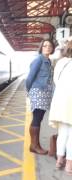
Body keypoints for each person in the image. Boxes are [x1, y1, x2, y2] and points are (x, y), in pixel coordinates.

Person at [26, 39, 55, 155]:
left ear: (52, 48)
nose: (47, 48)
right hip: (38, 92)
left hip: (44, 93)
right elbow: (29, 78)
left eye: (49, 46)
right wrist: (31, 91)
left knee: (39, 118)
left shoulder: (48, 61)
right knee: (37, 118)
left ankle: (36, 145)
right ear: (41, 48)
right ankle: (34, 145)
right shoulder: (39, 60)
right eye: (45, 46)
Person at [48, 38, 72, 175]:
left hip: (60, 101)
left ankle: (59, 161)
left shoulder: (60, 63)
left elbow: (56, 81)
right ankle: (69, 165)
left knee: (63, 133)